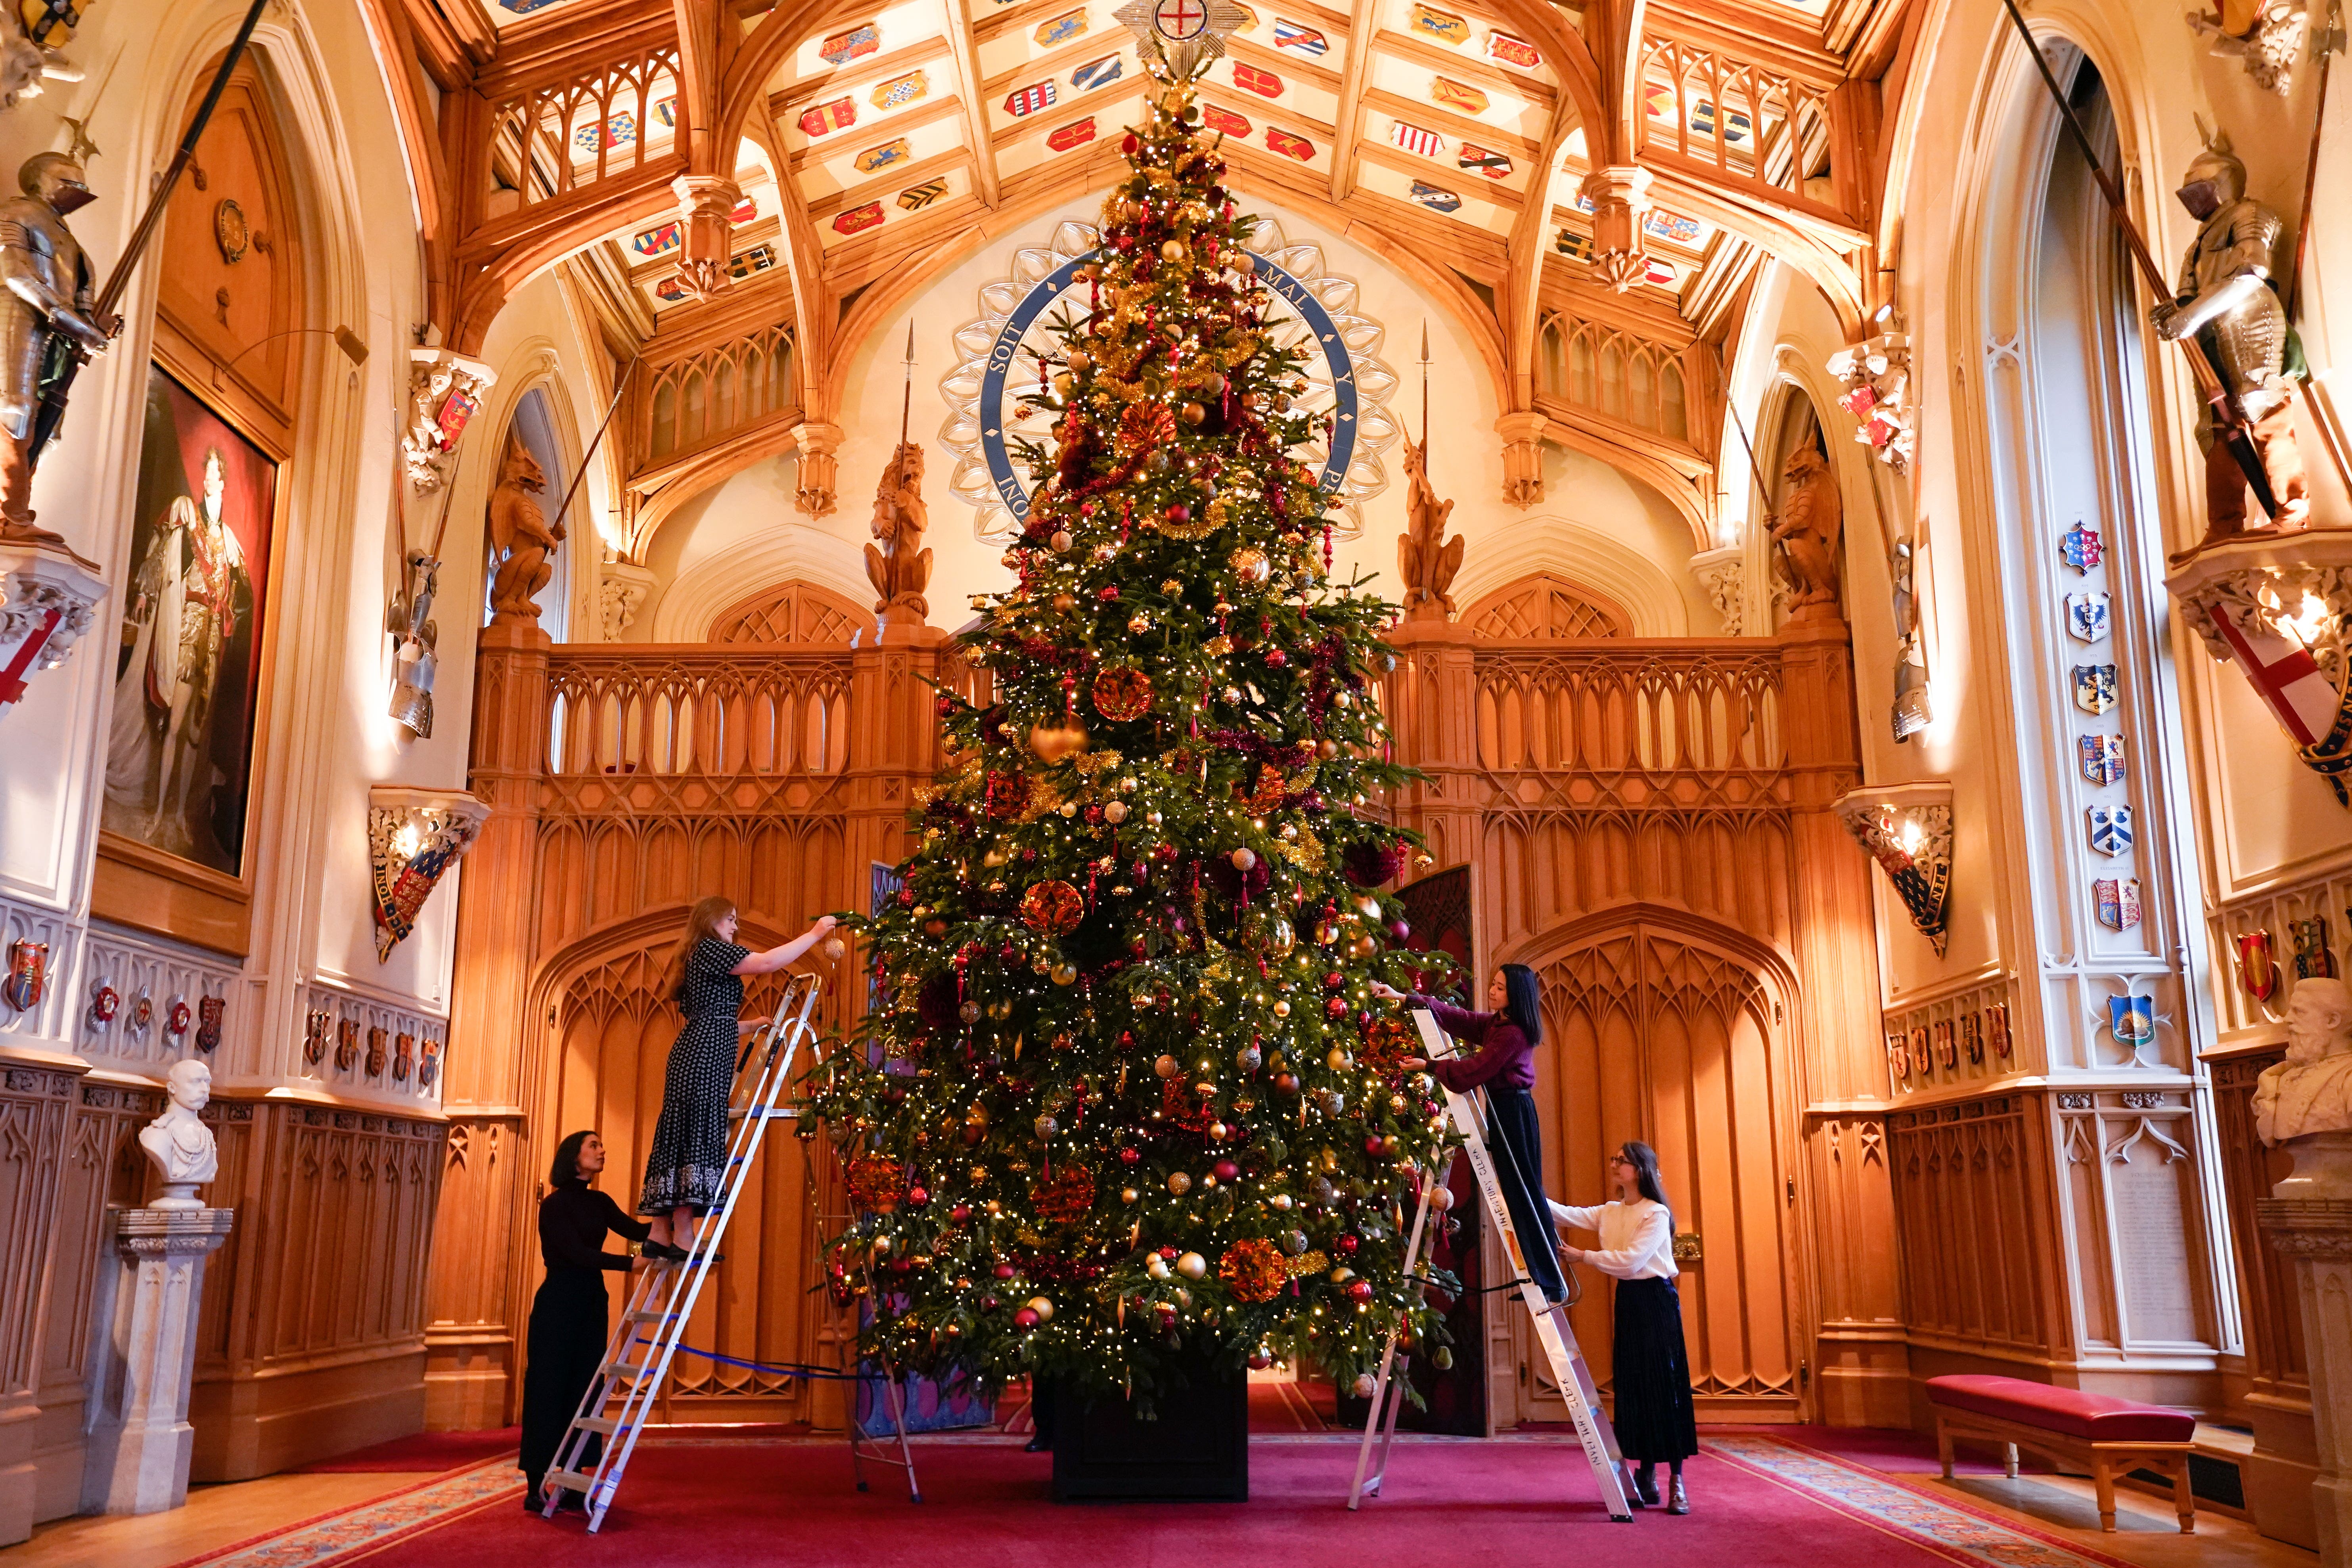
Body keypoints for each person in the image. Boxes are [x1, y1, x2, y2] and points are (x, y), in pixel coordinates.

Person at [637, 897, 837, 1258]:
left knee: (684, 1132)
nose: (735, 926)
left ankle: (660, 1233)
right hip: (702, 1058)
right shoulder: (711, 949)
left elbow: (710, 1017)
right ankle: (682, 1233)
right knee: (696, 1131)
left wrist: (748, 1025)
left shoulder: (702, 954)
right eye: (729, 919)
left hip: (698, 1052)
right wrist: (814, 934)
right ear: (711, 920)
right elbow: (767, 963)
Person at [1371, 965, 1568, 1303]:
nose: (1492, 991)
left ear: (1516, 995)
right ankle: (1540, 1276)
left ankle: (1549, 1278)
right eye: (1493, 984)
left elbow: (1475, 1070)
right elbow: (1460, 1018)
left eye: (1500, 988)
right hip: (1505, 1110)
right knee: (1517, 1192)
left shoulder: (1513, 1034)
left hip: (1516, 1113)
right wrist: (1405, 998)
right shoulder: (1497, 1024)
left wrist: (1430, 1066)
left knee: (1525, 1193)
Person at [1552, 1141, 1698, 1515]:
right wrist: (1523, 1191)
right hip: (1630, 1304)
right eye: (1614, 1158)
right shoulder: (1610, 1210)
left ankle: (1676, 1482)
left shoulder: (1657, 1213)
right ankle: (1645, 1472)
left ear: (1641, 1169)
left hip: (1657, 1302)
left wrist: (1583, 1256)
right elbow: (1564, 1213)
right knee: (1635, 1384)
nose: (1615, 1164)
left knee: (1664, 1387)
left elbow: (1632, 1262)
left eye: (1622, 1160)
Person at [521, 1130, 651, 1512]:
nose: (602, 1150)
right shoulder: (555, 1205)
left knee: (586, 1389)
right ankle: (535, 1484)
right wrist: (630, 1263)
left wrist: (679, 1224)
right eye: (593, 1145)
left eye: (601, 1145)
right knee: (548, 1389)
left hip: (592, 1303)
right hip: (557, 1305)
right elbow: (576, 1254)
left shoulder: (600, 1201)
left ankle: (576, 1482)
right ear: (573, 1157)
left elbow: (637, 1231)